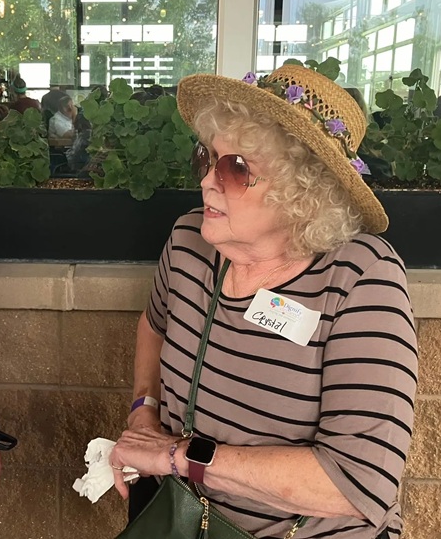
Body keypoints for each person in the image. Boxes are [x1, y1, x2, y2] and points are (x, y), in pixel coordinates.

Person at [109, 65, 417, 539]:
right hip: (184, 522)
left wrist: (174, 456)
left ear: (304, 193)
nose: (209, 182)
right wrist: (143, 409)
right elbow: (154, 325)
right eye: (206, 158)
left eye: (236, 168)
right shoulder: (191, 240)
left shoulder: (360, 277)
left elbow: (357, 483)